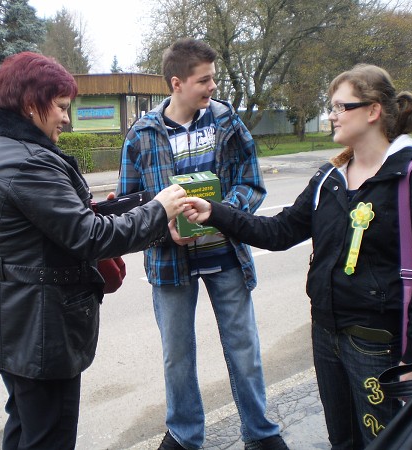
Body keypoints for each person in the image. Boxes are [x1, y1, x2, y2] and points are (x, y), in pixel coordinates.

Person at [182, 63, 412, 449]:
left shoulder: (411, 179)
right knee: (341, 440)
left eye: (341, 107)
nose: (331, 115)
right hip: (326, 334)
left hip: (379, 345)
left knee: (385, 442)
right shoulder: (329, 179)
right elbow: (279, 232)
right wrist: (217, 213)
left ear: (373, 111)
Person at [0, 51, 187, 450]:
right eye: (61, 107)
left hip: (11, 321)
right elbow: (90, 237)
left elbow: (48, 226)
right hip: (38, 330)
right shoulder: (28, 163)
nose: (67, 118)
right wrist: (158, 210)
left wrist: (118, 209)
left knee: (25, 426)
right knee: (48, 437)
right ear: (31, 105)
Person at [116, 38, 288, 450]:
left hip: (226, 255)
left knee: (244, 349)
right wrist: (163, 229)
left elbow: (251, 181)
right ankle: (184, 436)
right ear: (177, 83)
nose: (213, 87)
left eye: (214, 78)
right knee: (177, 356)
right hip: (169, 263)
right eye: (204, 79)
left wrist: (224, 211)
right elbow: (129, 207)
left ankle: (260, 435)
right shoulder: (142, 134)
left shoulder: (228, 123)